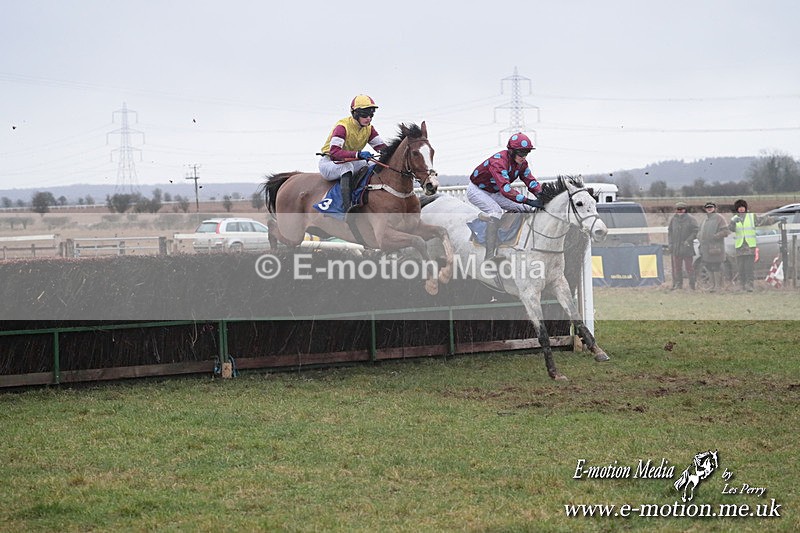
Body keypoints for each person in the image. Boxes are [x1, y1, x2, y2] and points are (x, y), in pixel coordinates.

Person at [466, 133, 543, 261]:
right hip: (477, 190)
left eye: (526, 153)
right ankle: (489, 255)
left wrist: (542, 196)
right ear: (511, 152)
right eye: (521, 153)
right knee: (496, 211)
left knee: (523, 208)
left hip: (494, 191)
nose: (523, 157)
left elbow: (531, 182)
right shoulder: (499, 162)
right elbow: (506, 189)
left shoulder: (522, 163)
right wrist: (529, 200)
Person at [318, 95, 388, 213]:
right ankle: (347, 207)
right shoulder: (342, 127)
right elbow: (334, 152)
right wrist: (358, 154)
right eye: (365, 115)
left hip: (350, 161)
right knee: (347, 167)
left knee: (372, 163)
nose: (369, 118)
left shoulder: (369, 129)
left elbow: (382, 149)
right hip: (330, 162)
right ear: (355, 114)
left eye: (371, 115)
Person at [728, 199, 779, 292]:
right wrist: (733, 222)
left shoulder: (751, 216)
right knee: (741, 268)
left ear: (745, 208)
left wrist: (776, 219)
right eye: (739, 207)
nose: (741, 209)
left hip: (750, 246)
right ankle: (742, 286)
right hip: (739, 247)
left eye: (742, 207)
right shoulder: (734, 218)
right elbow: (731, 229)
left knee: (749, 268)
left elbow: (763, 220)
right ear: (737, 209)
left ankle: (749, 286)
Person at [697, 201, 730, 292]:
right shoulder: (704, 220)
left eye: (711, 207)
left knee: (717, 266)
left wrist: (715, 236)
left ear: (715, 208)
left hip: (716, 248)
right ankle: (712, 285)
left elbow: (726, 232)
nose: (709, 209)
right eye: (707, 207)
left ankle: (718, 287)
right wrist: (699, 237)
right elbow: (700, 232)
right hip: (706, 249)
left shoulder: (719, 218)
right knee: (709, 266)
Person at [667, 201, 699, 290]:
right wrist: (670, 243)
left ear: (685, 210)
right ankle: (678, 284)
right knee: (677, 268)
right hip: (676, 248)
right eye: (678, 209)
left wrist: (688, 240)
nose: (680, 211)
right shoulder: (674, 219)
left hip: (687, 247)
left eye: (681, 209)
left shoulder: (691, 219)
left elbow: (696, 231)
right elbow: (670, 232)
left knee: (689, 267)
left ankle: (692, 285)